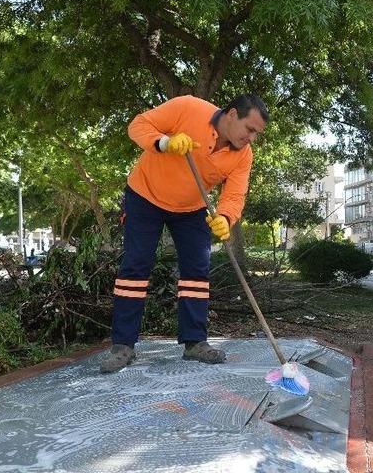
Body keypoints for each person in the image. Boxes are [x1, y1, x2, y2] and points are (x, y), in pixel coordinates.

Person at [100, 94, 269, 374]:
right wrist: (164, 143)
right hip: (145, 196)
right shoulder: (188, 107)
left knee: (197, 271)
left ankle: (195, 343)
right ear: (231, 115)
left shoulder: (243, 155)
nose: (251, 138)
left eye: (257, 133)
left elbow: (235, 194)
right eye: (249, 129)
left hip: (192, 206)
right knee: (136, 266)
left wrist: (226, 218)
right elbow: (138, 125)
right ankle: (123, 346)